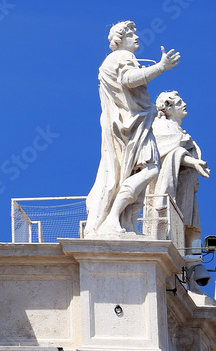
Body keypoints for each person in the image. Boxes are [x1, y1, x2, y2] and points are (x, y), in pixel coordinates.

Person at [85, 21, 180, 237]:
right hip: (130, 125)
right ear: (119, 39)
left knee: (131, 172)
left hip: (128, 124)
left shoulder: (114, 60)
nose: (136, 37)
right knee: (151, 168)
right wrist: (161, 67)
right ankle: (113, 218)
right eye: (130, 34)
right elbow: (128, 79)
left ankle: (121, 219)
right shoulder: (121, 56)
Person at [147, 91, 209, 248]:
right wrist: (192, 162)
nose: (184, 104)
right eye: (180, 102)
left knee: (190, 223)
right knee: (173, 220)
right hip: (170, 185)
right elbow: (164, 151)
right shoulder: (160, 126)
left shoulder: (179, 131)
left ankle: (194, 261)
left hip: (184, 183)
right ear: (168, 107)